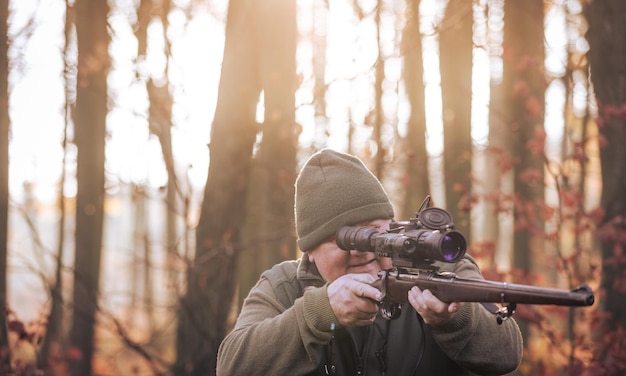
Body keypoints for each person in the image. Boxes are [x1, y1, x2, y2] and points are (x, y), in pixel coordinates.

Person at [216, 149, 523, 375]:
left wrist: (451, 320)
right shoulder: (282, 288)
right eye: (347, 238)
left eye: (377, 234)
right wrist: (320, 313)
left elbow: (507, 353)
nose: (364, 251)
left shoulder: (444, 270)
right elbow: (232, 366)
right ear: (309, 250)